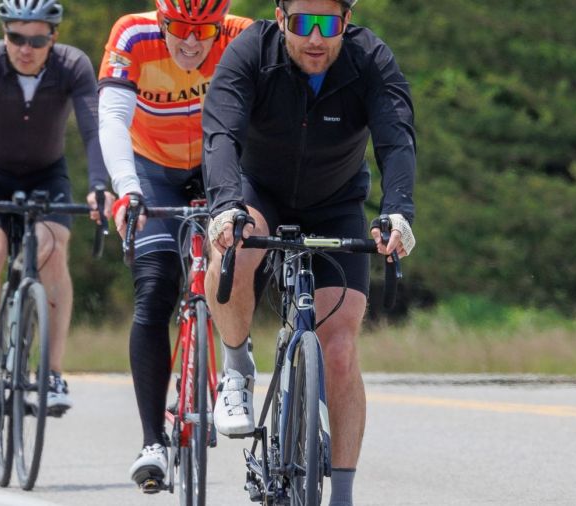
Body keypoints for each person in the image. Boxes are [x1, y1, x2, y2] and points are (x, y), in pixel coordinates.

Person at [201, 0, 416, 504]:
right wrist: (225, 206)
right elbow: (221, 135)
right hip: (259, 193)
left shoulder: (370, 59)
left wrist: (398, 211)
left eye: (329, 23)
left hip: (335, 202)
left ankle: (341, 493)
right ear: (280, 18)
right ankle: (236, 368)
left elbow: (396, 141)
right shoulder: (250, 51)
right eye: (303, 23)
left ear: (347, 20)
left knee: (339, 349)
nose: (316, 38)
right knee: (239, 240)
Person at [97, 0, 252, 489]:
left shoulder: (241, 36)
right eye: (178, 30)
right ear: (160, 21)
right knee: (156, 286)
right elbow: (112, 120)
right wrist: (128, 190)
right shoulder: (132, 37)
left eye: (202, 31)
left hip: (218, 166)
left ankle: (232, 366)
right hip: (151, 171)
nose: (190, 42)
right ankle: (151, 442)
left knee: (241, 261)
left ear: (218, 25)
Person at [0, 0, 112, 417]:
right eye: (16, 37)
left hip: (46, 176)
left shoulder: (72, 65)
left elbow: (94, 132)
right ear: (4, 33)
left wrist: (98, 186)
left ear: (53, 37)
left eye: (37, 39)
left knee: (53, 251)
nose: (26, 48)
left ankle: (53, 372)